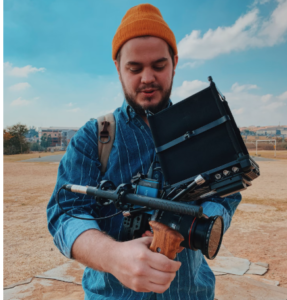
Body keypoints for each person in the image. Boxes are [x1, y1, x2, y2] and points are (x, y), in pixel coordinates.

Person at [47, 4, 241, 300]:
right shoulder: (94, 137)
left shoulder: (204, 129)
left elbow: (227, 193)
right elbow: (66, 213)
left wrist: (193, 224)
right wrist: (113, 256)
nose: (147, 78)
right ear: (118, 68)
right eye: (134, 68)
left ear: (175, 63)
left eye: (159, 66)